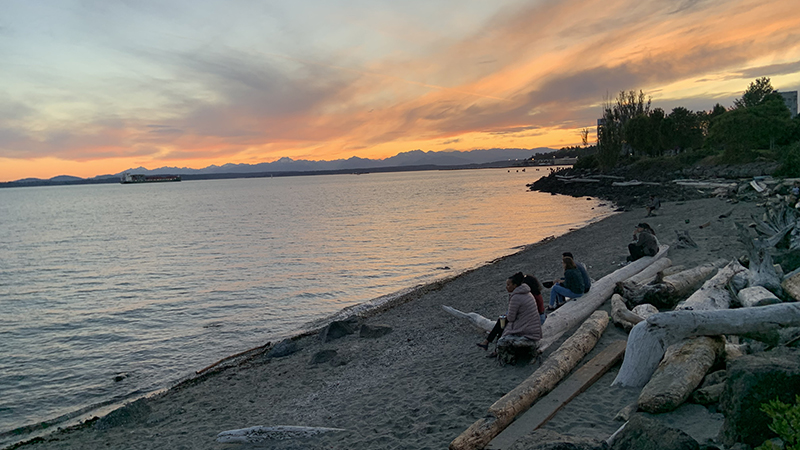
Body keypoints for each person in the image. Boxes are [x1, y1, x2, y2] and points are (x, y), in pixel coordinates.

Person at [477, 272, 542, 355]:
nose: (506, 287)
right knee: (502, 322)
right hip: (532, 326)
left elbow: (511, 318)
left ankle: (491, 346)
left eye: (508, 285)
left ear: (515, 286)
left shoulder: (516, 297)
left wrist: (505, 317)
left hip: (527, 329)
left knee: (502, 323)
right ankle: (488, 343)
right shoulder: (527, 292)